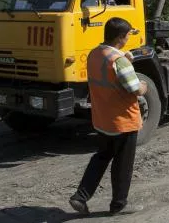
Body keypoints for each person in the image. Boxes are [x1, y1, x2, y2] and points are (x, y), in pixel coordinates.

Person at [69, 17, 147, 215]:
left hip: (103, 119)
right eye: (128, 35)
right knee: (123, 164)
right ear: (121, 37)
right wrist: (143, 85)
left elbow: (108, 75)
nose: (129, 38)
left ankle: (80, 196)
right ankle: (118, 204)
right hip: (123, 121)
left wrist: (124, 60)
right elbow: (135, 89)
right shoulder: (119, 61)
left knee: (102, 157)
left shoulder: (95, 54)